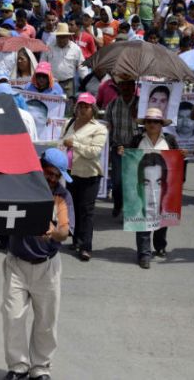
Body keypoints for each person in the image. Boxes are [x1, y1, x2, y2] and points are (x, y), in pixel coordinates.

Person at [2, 148, 72, 380]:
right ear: (39, 168)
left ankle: (40, 368)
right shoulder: (21, 188)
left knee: (46, 321)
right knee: (13, 317)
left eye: (56, 175)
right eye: (49, 173)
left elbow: (64, 231)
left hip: (47, 267)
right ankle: (18, 367)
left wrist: (54, 233)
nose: (52, 179)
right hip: (17, 264)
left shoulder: (62, 195)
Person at [117, 108, 187, 269]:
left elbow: (177, 163)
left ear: (161, 124)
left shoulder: (170, 140)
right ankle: (144, 254)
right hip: (144, 186)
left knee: (162, 218)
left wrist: (181, 158)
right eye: (149, 121)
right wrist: (123, 152)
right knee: (143, 220)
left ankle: (160, 245)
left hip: (161, 186)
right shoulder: (136, 140)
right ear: (144, 124)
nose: (152, 124)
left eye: (156, 121)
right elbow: (129, 160)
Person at [61, 93, 108, 262]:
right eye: (80, 105)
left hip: (90, 175)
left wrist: (75, 144)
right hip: (70, 172)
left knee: (86, 211)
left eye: (86, 106)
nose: (82, 109)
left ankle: (86, 246)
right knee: (73, 208)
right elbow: (61, 142)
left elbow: (94, 152)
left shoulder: (99, 128)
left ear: (93, 109)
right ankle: (76, 240)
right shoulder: (69, 123)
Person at [105, 77, 139, 218]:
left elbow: (145, 126)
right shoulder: (112, 105)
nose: (125, 88)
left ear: (133, 87)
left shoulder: (140, 105)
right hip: (117, 147)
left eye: (128, 85)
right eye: (122, 85)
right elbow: (107, 127)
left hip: (135, 149)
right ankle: (118, 203)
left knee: (132, 181)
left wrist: (135, 114)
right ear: (119, 87)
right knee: (118, 182)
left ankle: (129, 210)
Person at [41, 23, 84, 99]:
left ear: (68, 37)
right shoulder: (48, 48)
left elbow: (82, 66)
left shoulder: (76, 49)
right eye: (59, 37)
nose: (61, 39)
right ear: (56, 36)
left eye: (63, 37)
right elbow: (42, 65)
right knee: (52, 107)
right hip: (51, 83)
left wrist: (85, 80)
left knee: (68, 106)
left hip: (68, 84)